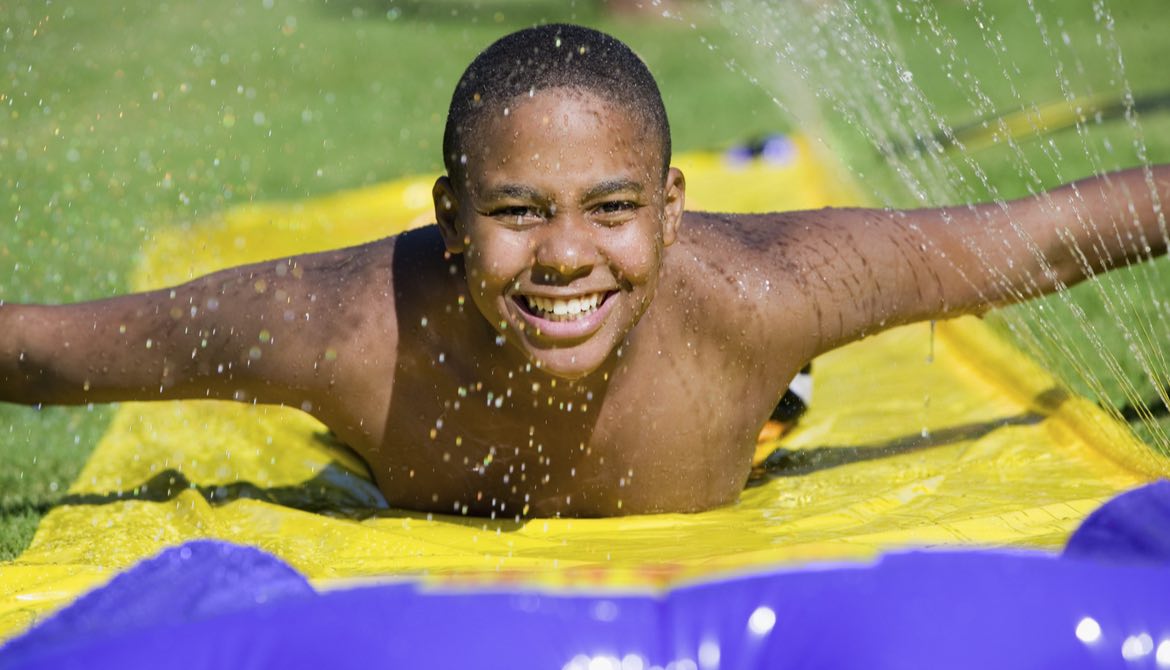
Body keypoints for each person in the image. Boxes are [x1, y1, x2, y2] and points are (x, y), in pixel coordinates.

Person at [1, 24, 1167, 518]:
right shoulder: (337, 329)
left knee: (772, 400)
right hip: (392, 438)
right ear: (450, 218)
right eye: (517, 212)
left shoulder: (767, 292)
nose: (564, 253)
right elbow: (52, 349)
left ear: (670, 213)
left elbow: (1040, 237)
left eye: (610, 209)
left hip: (737, 387)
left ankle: (777, 408)